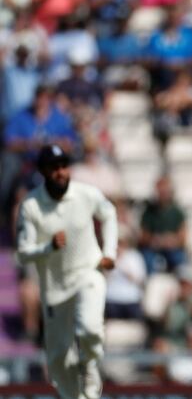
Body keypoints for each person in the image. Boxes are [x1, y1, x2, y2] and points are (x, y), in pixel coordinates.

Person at [15, 144, 117, 399]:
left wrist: (109, 252)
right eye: (54, 167)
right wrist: (48, 247)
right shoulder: (31, 206)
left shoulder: (86, 194)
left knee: (90, 330)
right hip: (55, 288)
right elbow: (23, 252)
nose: (60, 172)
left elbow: (109, 213)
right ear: (43, 171)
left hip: (88, 273)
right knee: (58, 360)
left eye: (63, 166)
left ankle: (91, 366)